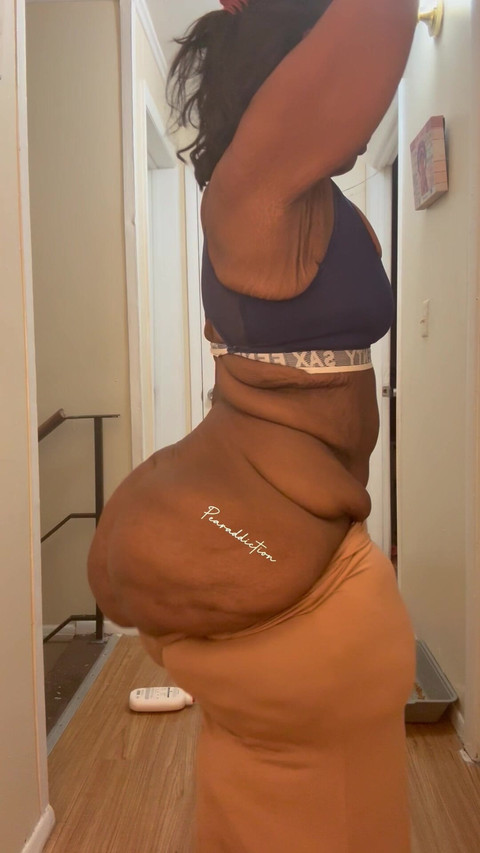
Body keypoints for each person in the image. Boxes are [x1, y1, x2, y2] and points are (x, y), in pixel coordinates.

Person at [88, 1, 418, 850]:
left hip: (305, 519)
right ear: (282, 80)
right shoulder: (253, 186)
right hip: (279, 532)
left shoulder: (293, 195)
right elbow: (375, 25)